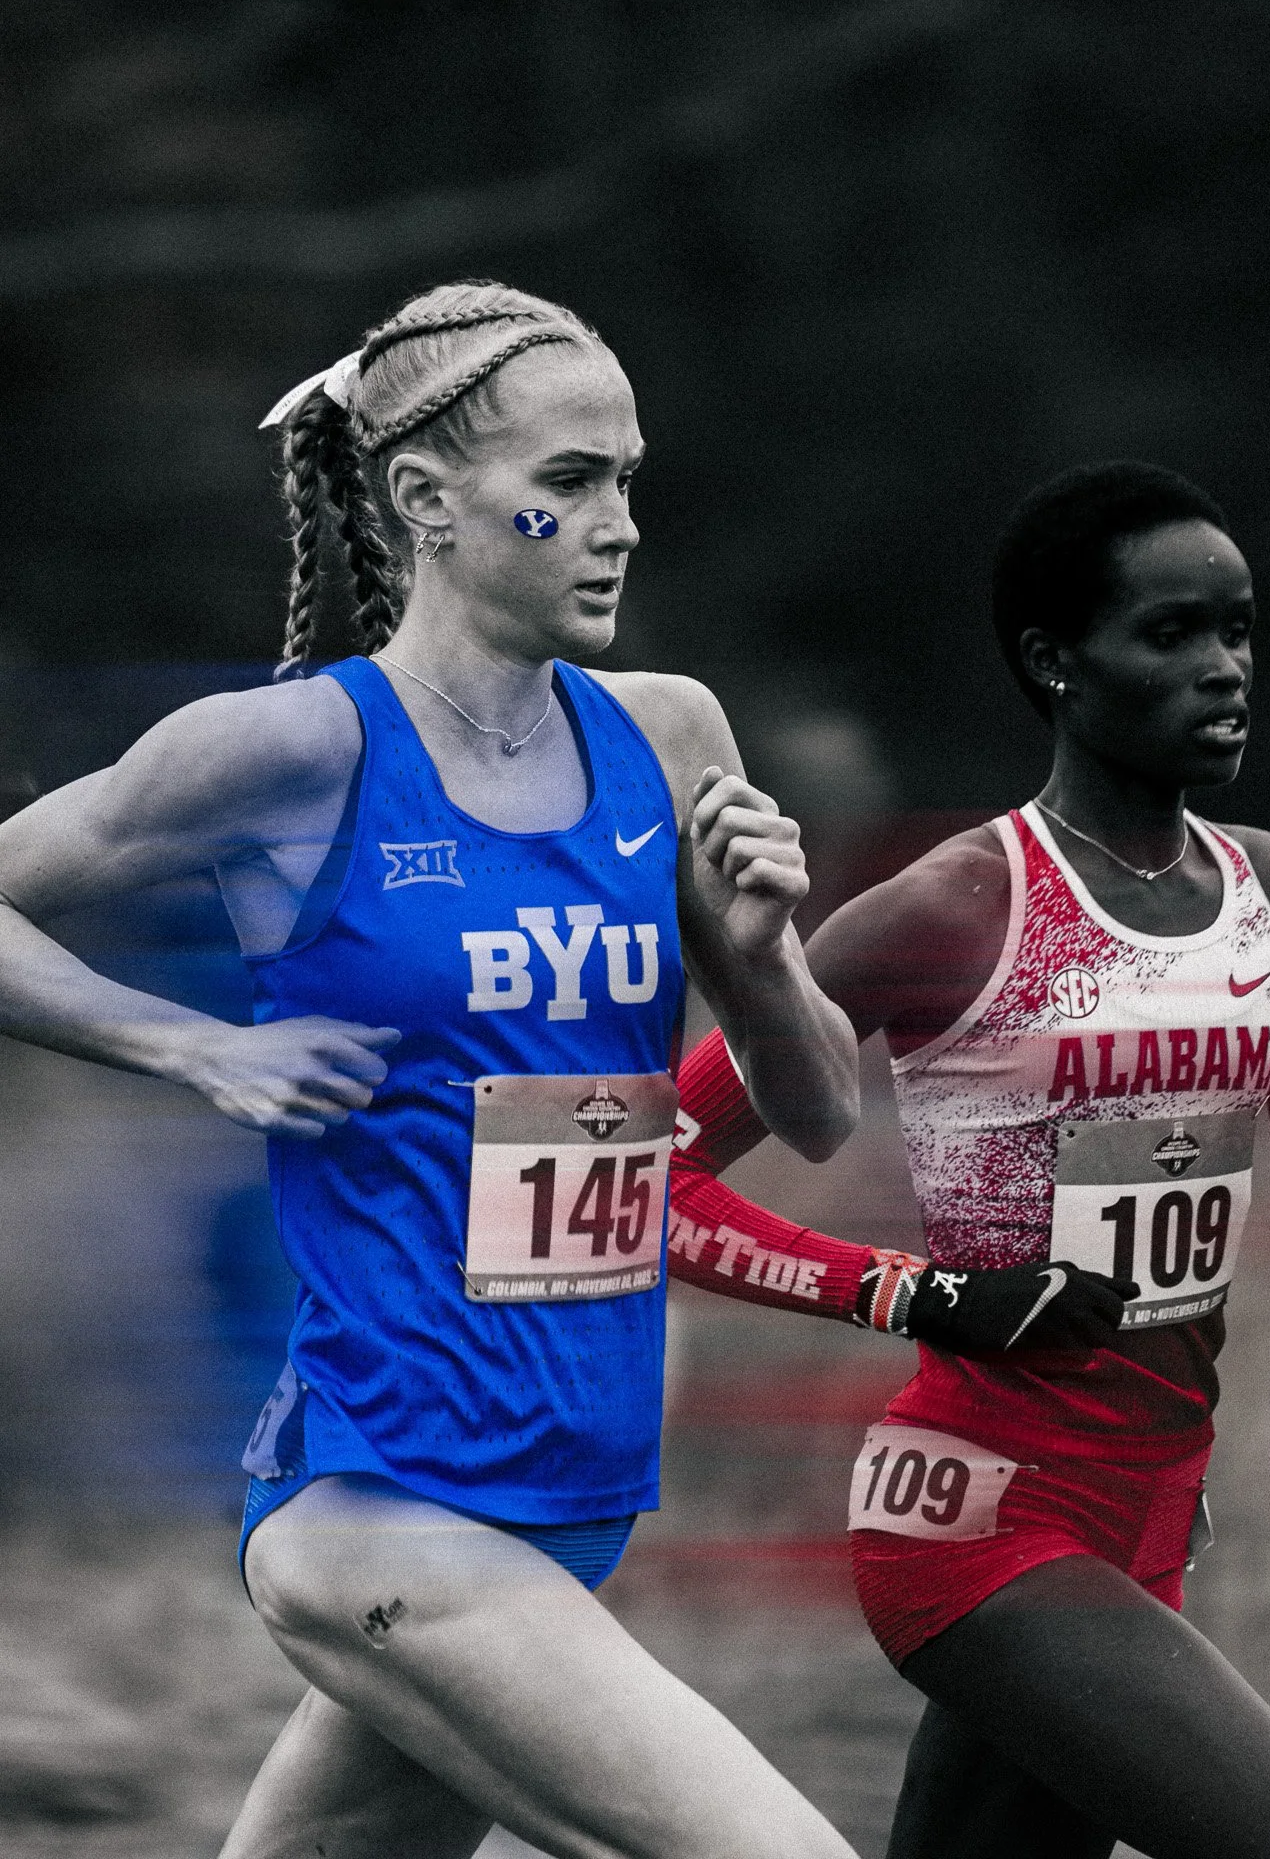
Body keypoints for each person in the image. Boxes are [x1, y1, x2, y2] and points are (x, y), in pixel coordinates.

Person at [0, 278, 864, 1859]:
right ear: (426, 501)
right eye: (568, 486)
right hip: (379, 1511)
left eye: (629, 481)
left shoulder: (672, 736)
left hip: (574, 1509)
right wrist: (197, 1045)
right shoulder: (290, 754)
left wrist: (748, 951)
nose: (619, 525)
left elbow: (820, 1113)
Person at [662, 462, 1270, 1859]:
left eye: (1237, 631)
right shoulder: (952, 908)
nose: (1224, 671)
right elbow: (643, 1185)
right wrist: (915, 1294)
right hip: (980, 1527)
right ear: (1055, 663)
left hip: (1151, 1524)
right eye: (1170, 636)